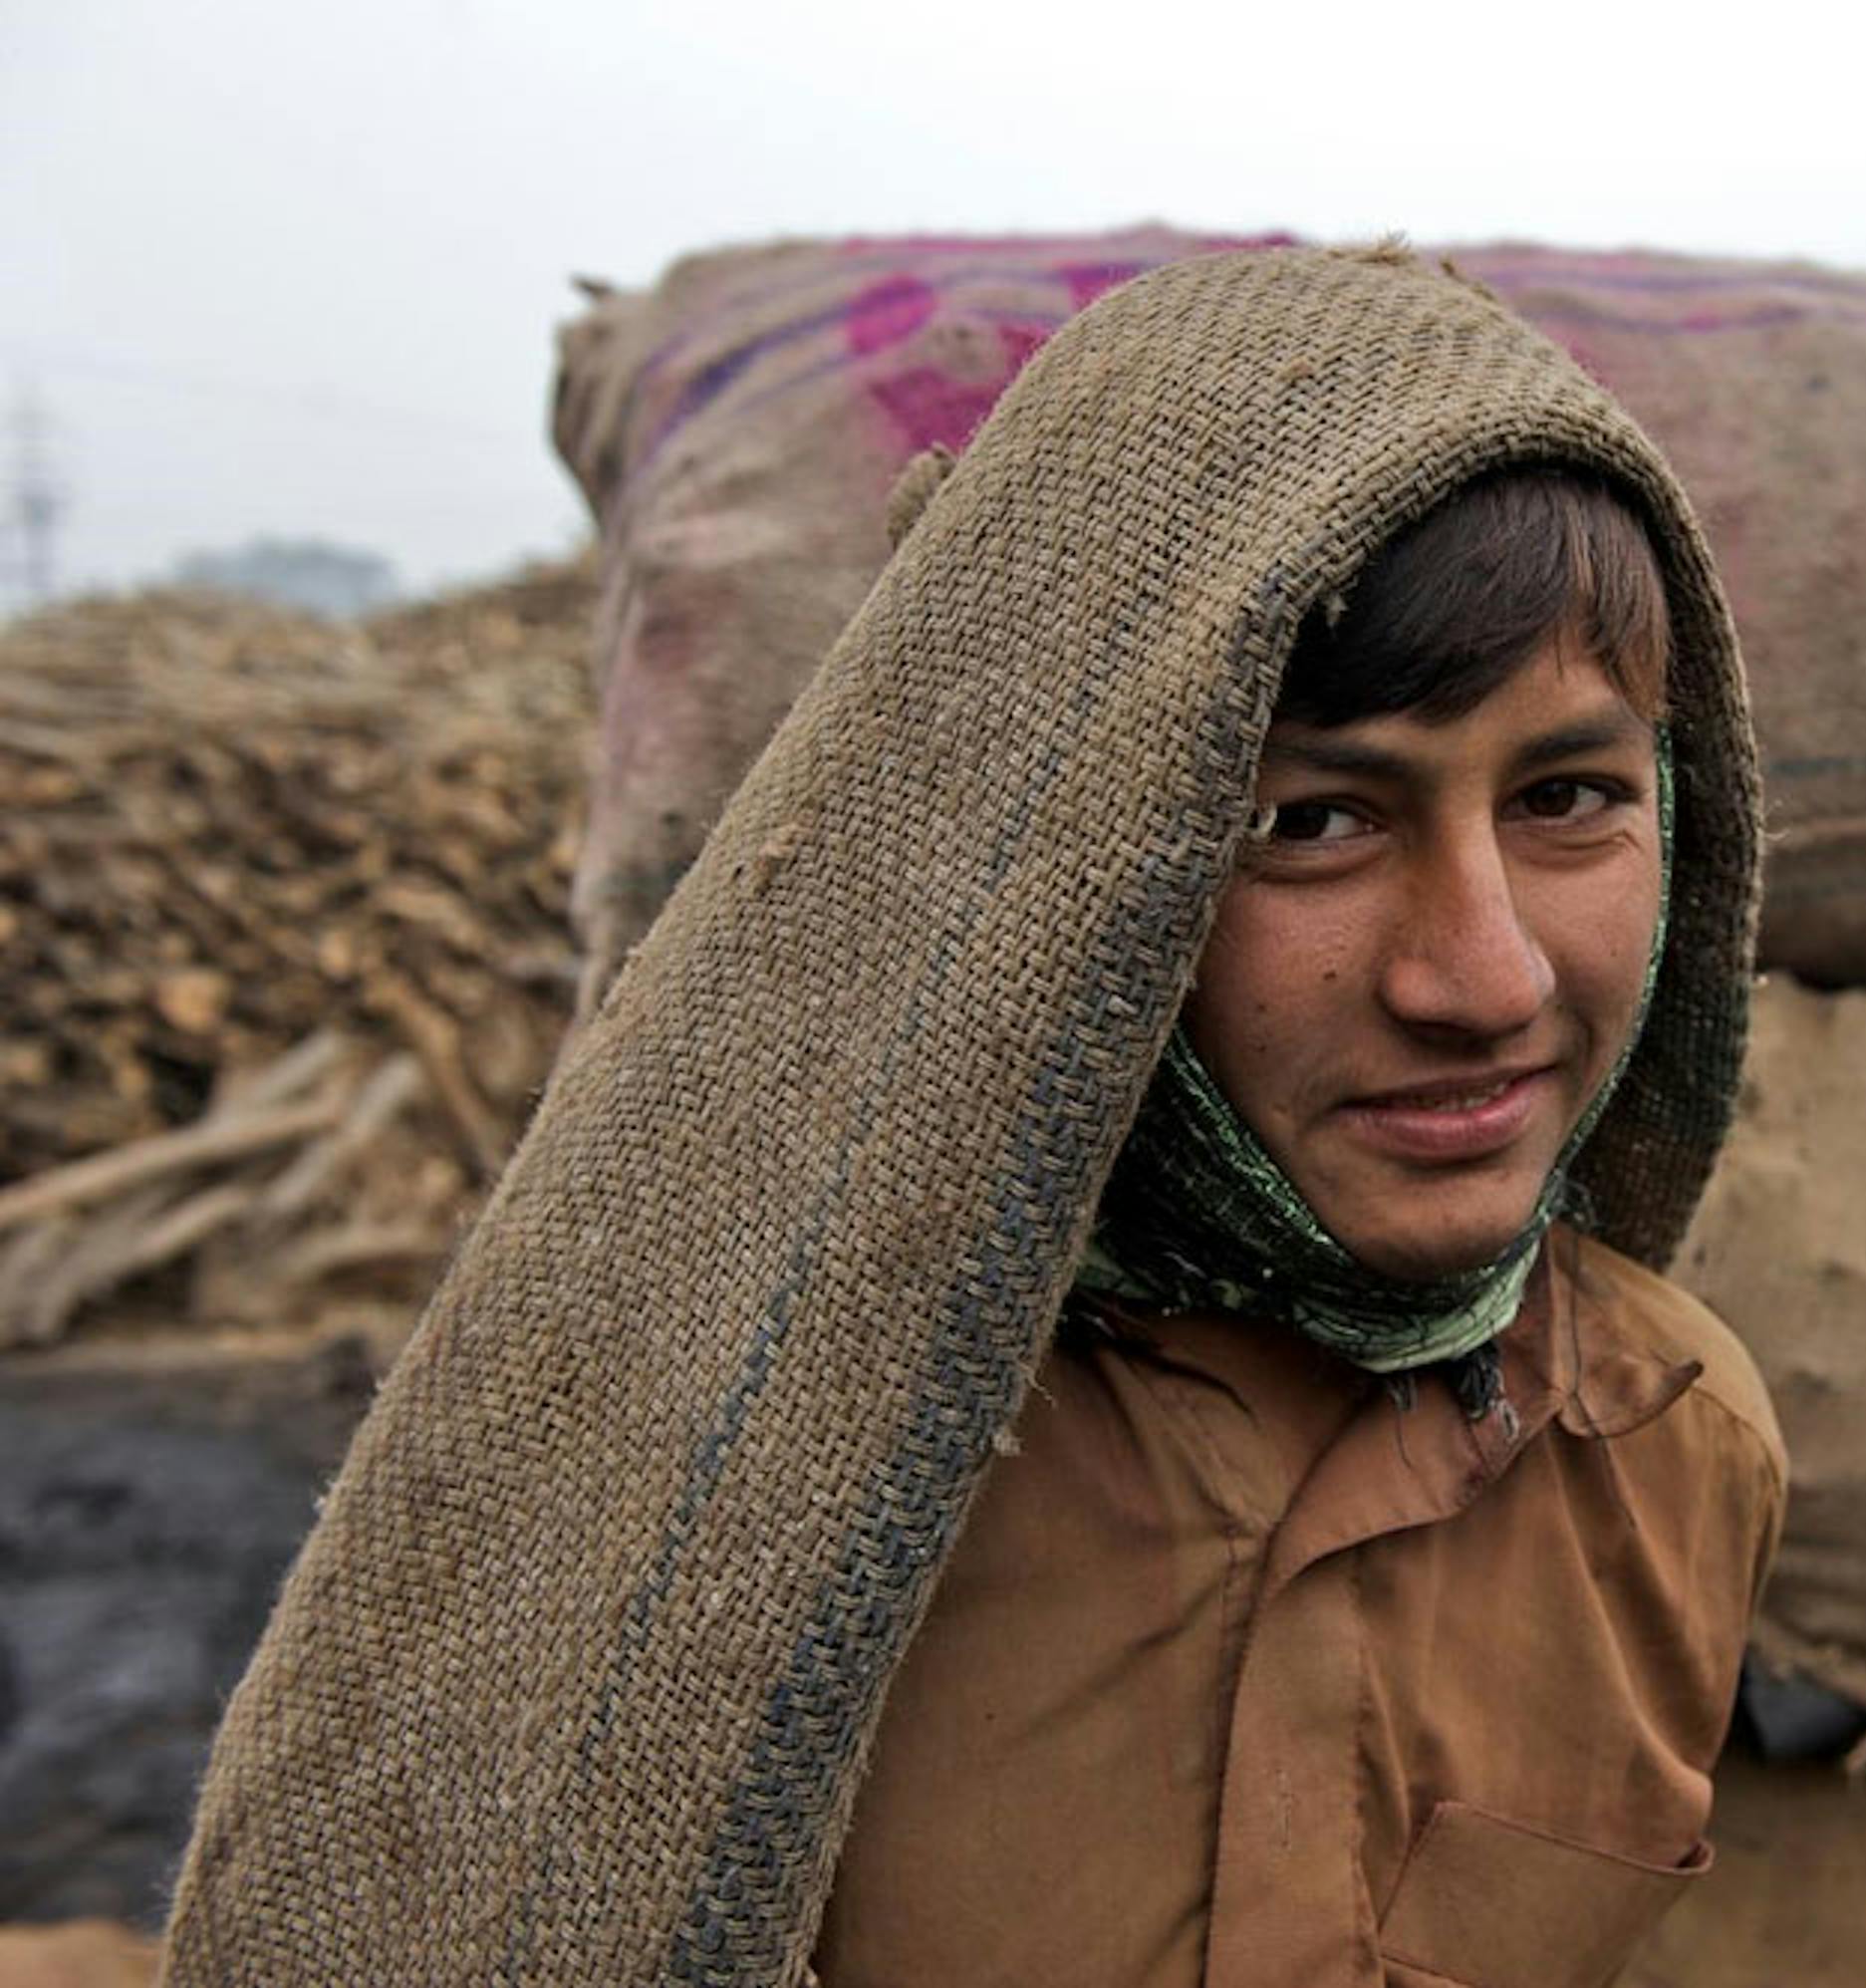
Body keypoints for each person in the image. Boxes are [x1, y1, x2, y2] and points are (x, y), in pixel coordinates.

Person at [164, 245, 1776, 1988]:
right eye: (1313, 823)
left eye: (1567, 799)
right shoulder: (747, 1488)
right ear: (1099, 865)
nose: (1483, 976)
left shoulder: (1674, 1447)